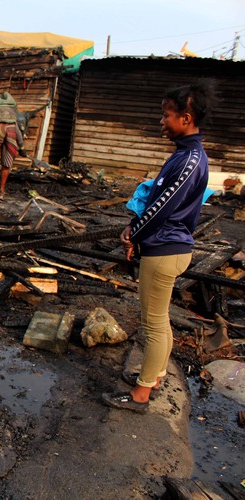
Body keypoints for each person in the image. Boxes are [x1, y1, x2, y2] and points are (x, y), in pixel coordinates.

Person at [102, 80, 217, 414]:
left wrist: (133, 233)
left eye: (166, 115)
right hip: (168, 247)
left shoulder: (190, 160)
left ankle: (140, 395)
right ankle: (155, 374)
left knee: (152, 322)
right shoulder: (185, 154)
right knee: (160, 318)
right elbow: (157, 201)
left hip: (166, 249)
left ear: (186, 116)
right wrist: (135, 230)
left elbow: (162, 207)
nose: (161, 121)